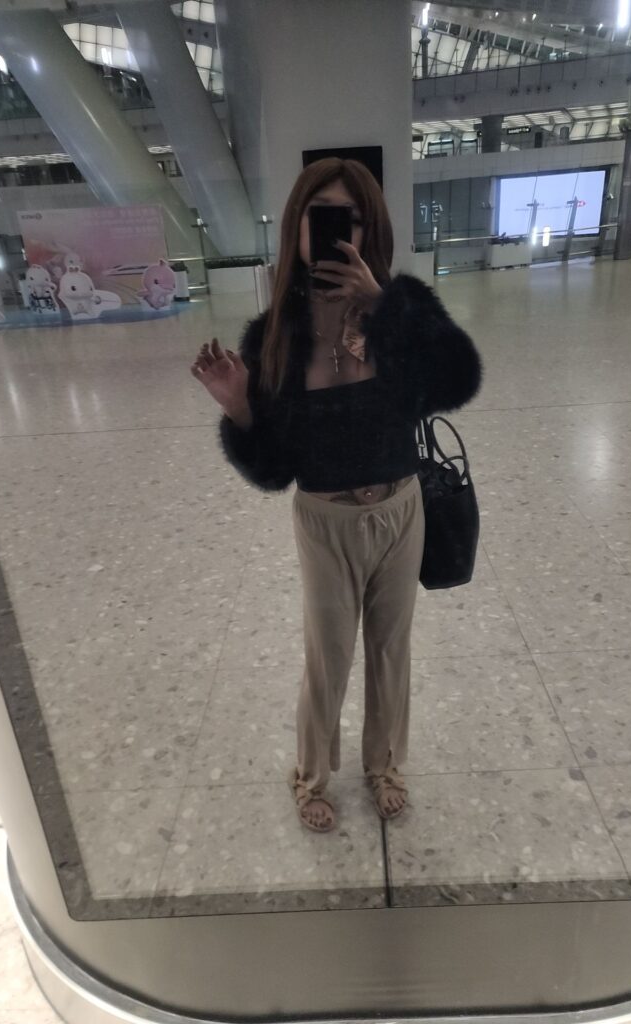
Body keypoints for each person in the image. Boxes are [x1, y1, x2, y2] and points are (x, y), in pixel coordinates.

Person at [191, 158, 482, 834]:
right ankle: (312, 776)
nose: (333, 232)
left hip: (401, 509)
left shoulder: (400, 304)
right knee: (329, 659)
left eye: (348, 219)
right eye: (318, 217)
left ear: (369, 228)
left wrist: (385, 307)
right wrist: (239, 407)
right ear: (295, 228)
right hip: (324, 520)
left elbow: (458, 379)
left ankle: (386, 767)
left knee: (391, 650)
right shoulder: (274, 335)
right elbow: (274, 470)